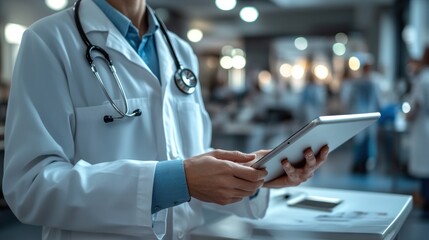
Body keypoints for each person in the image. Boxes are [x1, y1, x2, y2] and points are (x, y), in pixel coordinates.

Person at [2, 0, 329, 239]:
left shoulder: (180, 52)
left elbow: (192, 158)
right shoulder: (47, 41)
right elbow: (31, 186)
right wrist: (177, 181)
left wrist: (255, 175)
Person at [345, 55, 381, 173]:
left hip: (367, 116)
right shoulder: (361, 82)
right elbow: (351, 100)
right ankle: (359, 164)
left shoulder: (373, 82)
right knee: (360, 142)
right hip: (361, 116)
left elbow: (377, 100)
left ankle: (364, 164)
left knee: (367, 142)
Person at [406, 47, 429, 219]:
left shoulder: (424, 79)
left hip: (423, 127)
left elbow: (416, 106)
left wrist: (408, 117)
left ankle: (426, 201)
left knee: (424, 168)